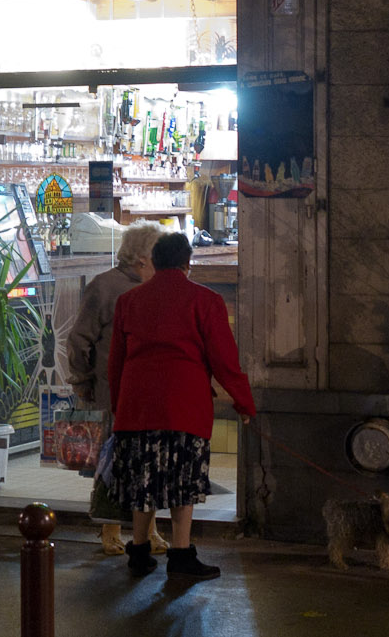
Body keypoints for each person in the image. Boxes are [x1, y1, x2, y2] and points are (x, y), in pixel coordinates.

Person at [107, 232, 257, 580]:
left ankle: (139, 551)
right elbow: (224, 359)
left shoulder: (129, 301)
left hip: (137, 407)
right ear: (188, 265)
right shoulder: (205, 300)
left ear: (154, 262)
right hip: (184, 407)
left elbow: (116, 363)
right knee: (182, 481)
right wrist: (244, 403)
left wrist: (120, 407)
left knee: (142, 481)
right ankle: (180, 555)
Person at [61, 222, 169, 557]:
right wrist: (81, 381)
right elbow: (78, 340)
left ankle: (149, 529)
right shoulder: (105, 287)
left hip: (149, 390)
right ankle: (110, 530)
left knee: (148, 462)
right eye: (158, 257)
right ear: (141, 259)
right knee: (113, 461)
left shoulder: (157, 288)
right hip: (112, 391)